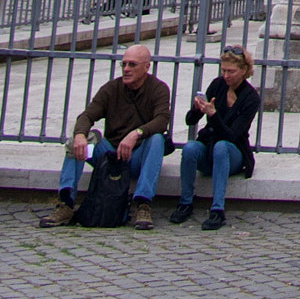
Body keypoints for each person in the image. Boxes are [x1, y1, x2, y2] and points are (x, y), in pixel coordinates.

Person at [40, 44, 170, 230]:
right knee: (81, 141)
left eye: (132, 65)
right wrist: (79, 135)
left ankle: (142, 204)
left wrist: (136, 133)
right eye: (123, 64)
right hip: (110, 156)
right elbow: (87, 115)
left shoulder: (158, 89)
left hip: (137, 156)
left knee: (157, 139)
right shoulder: (111, 88)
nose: (126, 69)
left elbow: (162, 119)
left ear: (146, 67)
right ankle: (66, 203)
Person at [170, 44, 259, 229]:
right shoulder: (217, 85)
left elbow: (232, 135)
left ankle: (217, 209)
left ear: (244, 71)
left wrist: (213, 115)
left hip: (232, 152)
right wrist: (196, 109)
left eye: (231, 71)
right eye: (223, 70)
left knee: (222, 146)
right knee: (190, 148)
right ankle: (185, 202)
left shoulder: (250, 97)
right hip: (209, 146)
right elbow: (190, 121)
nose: (226, 76)